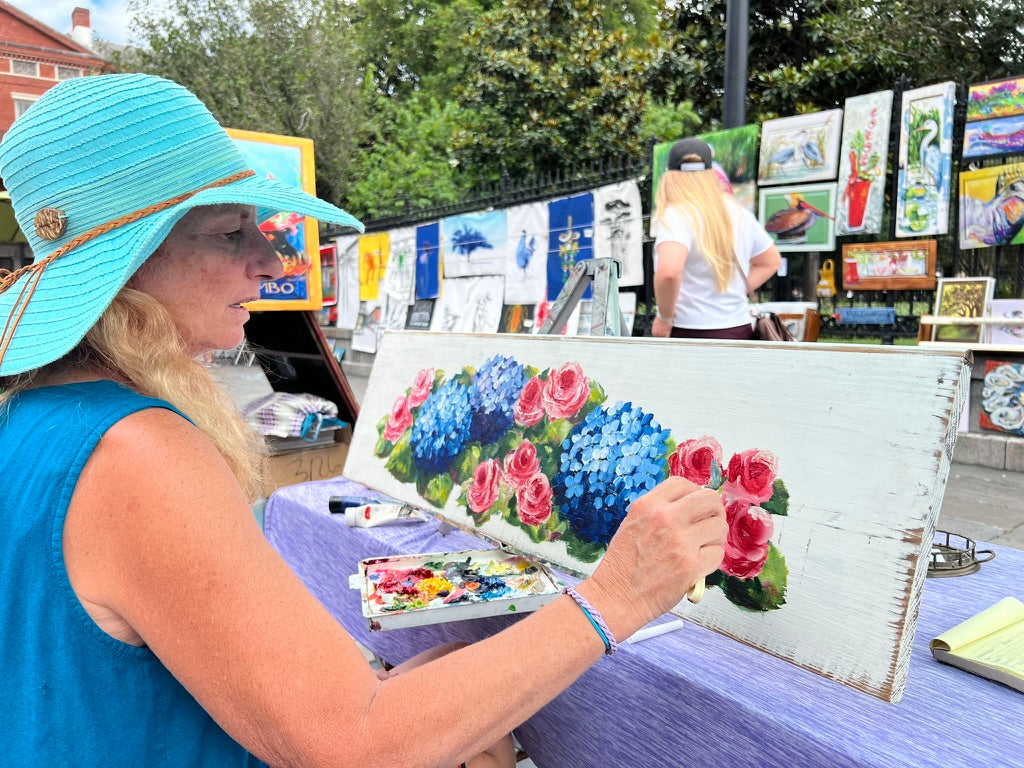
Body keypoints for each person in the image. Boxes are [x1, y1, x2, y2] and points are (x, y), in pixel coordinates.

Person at [0, 74, 728, 767]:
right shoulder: (137, 449)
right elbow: (355, 746)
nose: (274, 261)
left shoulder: (39, 411)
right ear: (130, 264)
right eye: (230, 232)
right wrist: (615, 597)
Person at [650, 138, 782, 340]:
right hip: (739, 328)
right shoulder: (738, 212)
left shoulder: (677, 214)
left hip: (689, 330)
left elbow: (669, 272)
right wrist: (735, 292)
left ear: (670, 177)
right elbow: (770, 261)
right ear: (710, 174)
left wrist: (664, 318)